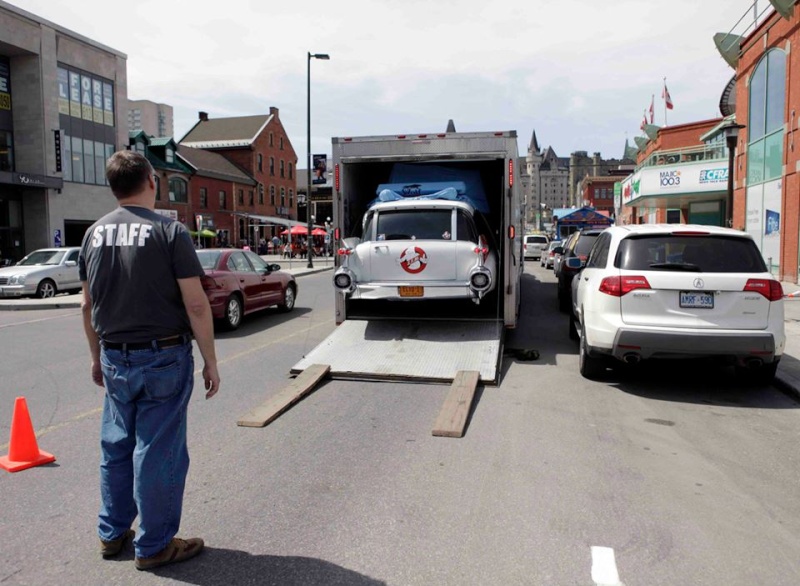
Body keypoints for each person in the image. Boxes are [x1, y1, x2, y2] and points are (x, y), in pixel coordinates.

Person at [79, 150, 220, 572]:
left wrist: (95, 358)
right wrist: (210, 360)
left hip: (114, 355)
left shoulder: (93, 234)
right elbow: (196, 305)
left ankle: (112, 532)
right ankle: (155, 544)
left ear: (113, 186)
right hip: (163, 357)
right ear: (152, 181)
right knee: (158, 452)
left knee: (117, 447)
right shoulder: (170, 231)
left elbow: (87, 305)